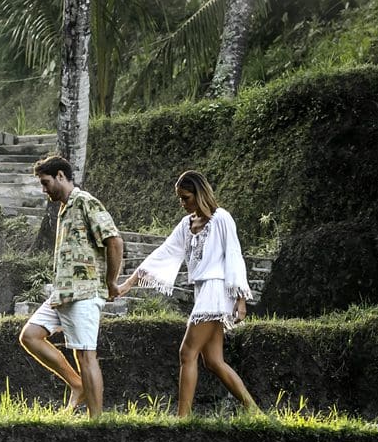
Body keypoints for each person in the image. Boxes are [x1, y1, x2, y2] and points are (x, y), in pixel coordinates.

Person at [118, 169, 258, 417]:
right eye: (180, 199)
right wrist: (128, 284)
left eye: (186, 198)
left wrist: (241, 300)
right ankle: (255, 411)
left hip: (216, 290)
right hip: (202, 291)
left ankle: (182, 418)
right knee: (213, 361)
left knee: (187, 352)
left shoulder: (221, 218)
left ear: (199, 194)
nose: (183, 203)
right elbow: (163, 253)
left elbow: (234, 256)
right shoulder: (187, 224)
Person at [18, 155, 124, 418]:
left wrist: (111, 281)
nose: (44, 190)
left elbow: (114, 241)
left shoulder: (85, 201)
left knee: (86, 355)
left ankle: (96, 420)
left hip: (84, 292)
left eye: (46, 182)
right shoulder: (65, 208)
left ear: (61, 176)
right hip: (63, 292)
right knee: (30, 336)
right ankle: (77, 384)